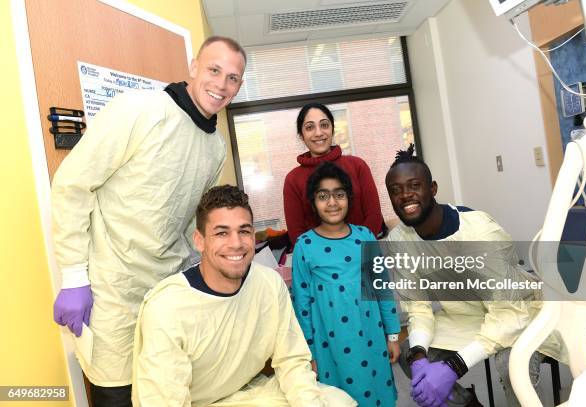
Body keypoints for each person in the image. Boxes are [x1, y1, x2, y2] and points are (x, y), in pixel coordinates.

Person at [51, 36, 246, 405]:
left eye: (233, 78)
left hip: (166, 291)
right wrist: (74, 276)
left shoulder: (215, 146)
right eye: (214, 70)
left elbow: (191, 220)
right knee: (116, 392)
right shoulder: (138, 110)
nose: (221, 84)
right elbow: (72, 185)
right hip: (111, 291)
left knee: (165, 391)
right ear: (193, 67)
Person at [132, 185, 356, 406]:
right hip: (194, 402)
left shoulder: (269, 283)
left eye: (244, 231)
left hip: (250, 393)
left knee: (337, 401)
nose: (236, 244)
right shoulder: (167, 307)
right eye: (221, 233)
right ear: (199, 240)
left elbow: (292, 360)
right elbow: (164, 400)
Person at [384, 146, 566, 407]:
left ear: (433, 188)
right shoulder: (400, 240)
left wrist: (454, 367)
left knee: (511, 364)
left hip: (519, 312)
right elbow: (418, 308)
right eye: (396, 190)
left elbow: (507, 313)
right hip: (465, 316)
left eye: (414, 185)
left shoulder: (480, 231)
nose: (405, 195)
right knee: (409, 356)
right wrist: (420, 357)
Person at [291, 161, 401, 407]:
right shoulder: (305, 245)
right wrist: (307, 354)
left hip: (371, 339)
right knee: (339, 398)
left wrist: (392, 335)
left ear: (349, 198)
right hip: (329, 345)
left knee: (376, 395)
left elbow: (383, 289)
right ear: (313, 202)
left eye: (339, 195)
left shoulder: (365, 236)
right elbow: (303, 305)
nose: (332, 203)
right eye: (323, 196)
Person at [283, 102, 384, 244]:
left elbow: (374, 216)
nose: (318, 133)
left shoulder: (357, 166)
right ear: (301, 135)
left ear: (332, 129)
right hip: (319, 261)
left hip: (362, 252)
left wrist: (355, 248)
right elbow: (296, 232)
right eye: (310, 127)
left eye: (324, 125)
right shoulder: (292, 179)